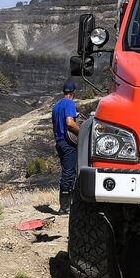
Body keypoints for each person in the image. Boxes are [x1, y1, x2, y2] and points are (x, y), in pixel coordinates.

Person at [51, 79, 80, 214]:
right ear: (73, 92)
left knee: (66, 172)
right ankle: (65, 208)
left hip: (59, 142)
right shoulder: (69, 103)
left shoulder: (56, 106)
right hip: (68, 143)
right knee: (69, 173)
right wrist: (82, 132)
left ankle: (65, 205)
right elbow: (70, 123)